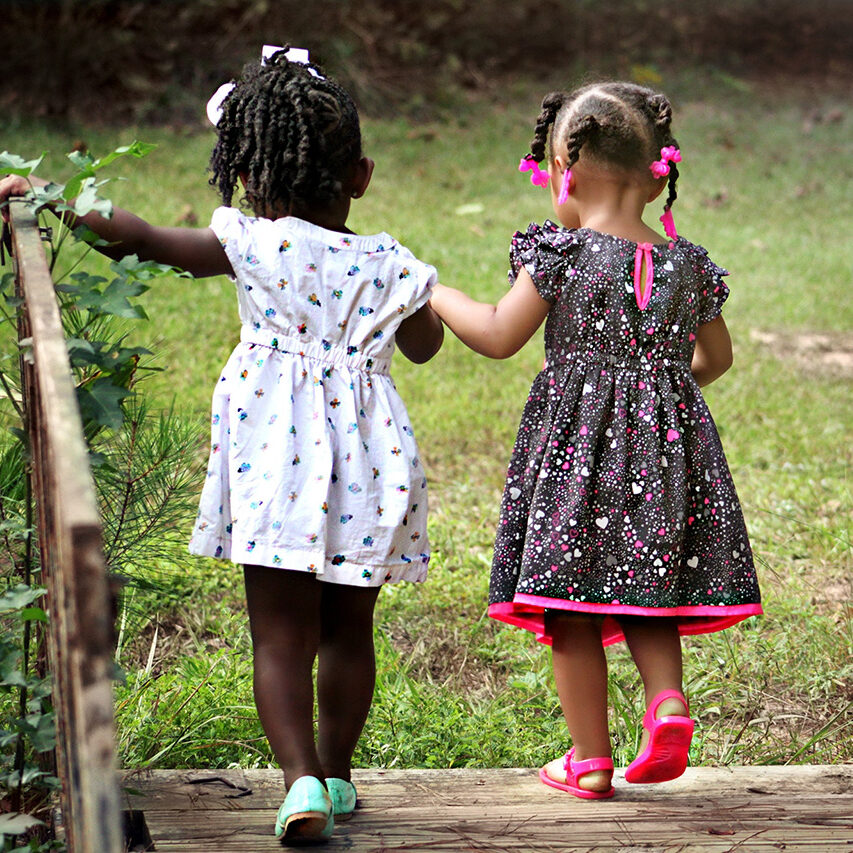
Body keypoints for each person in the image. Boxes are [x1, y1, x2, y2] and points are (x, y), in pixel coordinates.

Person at [1, 47, 443, 843]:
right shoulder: (389, 263)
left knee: (280, 636)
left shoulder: (248, 242)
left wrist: (53, 199)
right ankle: (340, 776)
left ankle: (300, 780)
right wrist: (394, 299)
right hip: (371, 468)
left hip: (274, 459)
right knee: (350, 631)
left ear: (243, 174)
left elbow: (139, 239)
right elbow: (423, 346)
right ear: (362, 175)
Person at [429, 81, 761, 799]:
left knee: (570, 604)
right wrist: (662, 400)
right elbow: (716, 359)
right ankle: (666, 702)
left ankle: (588, 758)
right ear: (656, 173)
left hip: (575, 462)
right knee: (649, 588)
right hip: (664, 459)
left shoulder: (562, 255)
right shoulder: (689, 265)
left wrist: (431, 291)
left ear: (564, 173)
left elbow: (495, 333)